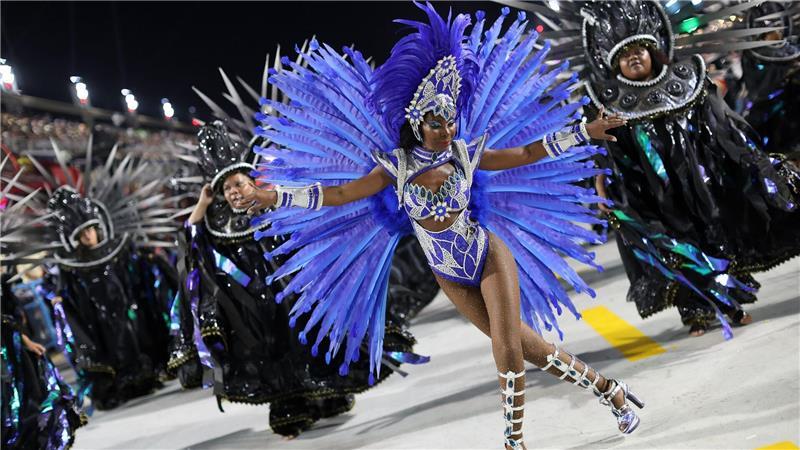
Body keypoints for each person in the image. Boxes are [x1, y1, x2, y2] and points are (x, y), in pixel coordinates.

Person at [239, 4, 642, 448]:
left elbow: (527, 154)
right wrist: (271, 196)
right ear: (417, 122)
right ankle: (612, 392)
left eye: (451, 119)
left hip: (487, 255)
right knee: (528, 347)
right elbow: (336, 195)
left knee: (506, 351)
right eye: (436, 122)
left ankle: (513, 442)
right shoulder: (392, 169)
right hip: (449, 274)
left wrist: (585, 132)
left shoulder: (465, 156)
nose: (447, 129)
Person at [169, 122, 428, 437]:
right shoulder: (218, 222)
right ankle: (290, 405)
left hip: (295, 291)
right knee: (273, 354)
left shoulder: (275, 198)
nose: (234, 192)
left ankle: (325, 394)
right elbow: (192, 254)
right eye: (226, 189)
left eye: (237, 183)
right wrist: (202, 204)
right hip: (253, 309)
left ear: (251, 178)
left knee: (311, 342)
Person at [570, 0, 800, 337]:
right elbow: (602, 155)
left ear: (656, 50)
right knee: (677, 250)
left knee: (715, 238)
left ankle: (727, 304)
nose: (634, 57)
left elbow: (724, 128)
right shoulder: (604, 102)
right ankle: (697, 312)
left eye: (641, 49)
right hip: (649, 193)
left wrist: (753, 162)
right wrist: (604, 194)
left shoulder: (689, 79)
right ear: (612, 62)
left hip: (702, 182)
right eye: (625, 53)